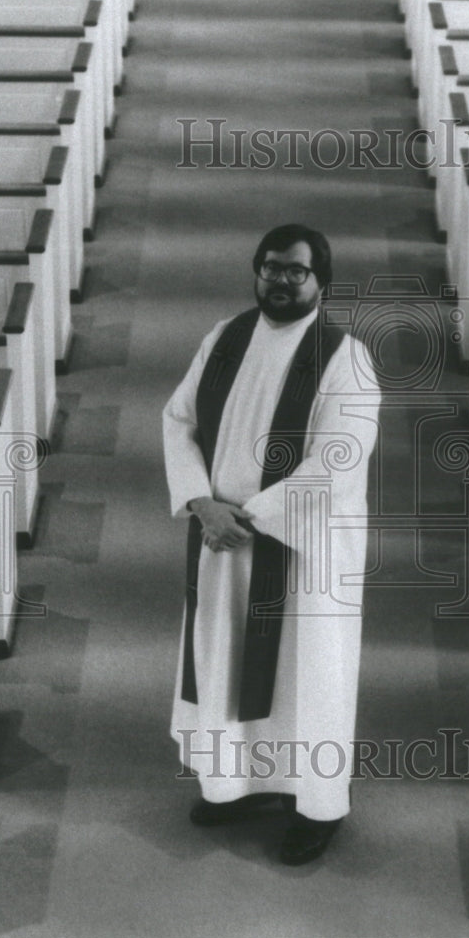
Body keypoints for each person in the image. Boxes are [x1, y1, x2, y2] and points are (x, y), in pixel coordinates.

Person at [163, 223, 380, 865]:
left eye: (296, 271)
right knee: (225, 658)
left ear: (322, 281)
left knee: (308, 675)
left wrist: (249, 518)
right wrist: (203, 502)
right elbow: (178, 421)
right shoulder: (226, 338)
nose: (280, 280)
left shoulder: (343, 357)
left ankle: (316, 805)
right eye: (270, 267)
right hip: (220, 537)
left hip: (299, 550)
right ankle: (235, 783)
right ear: (256, 270)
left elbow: (340, 458)